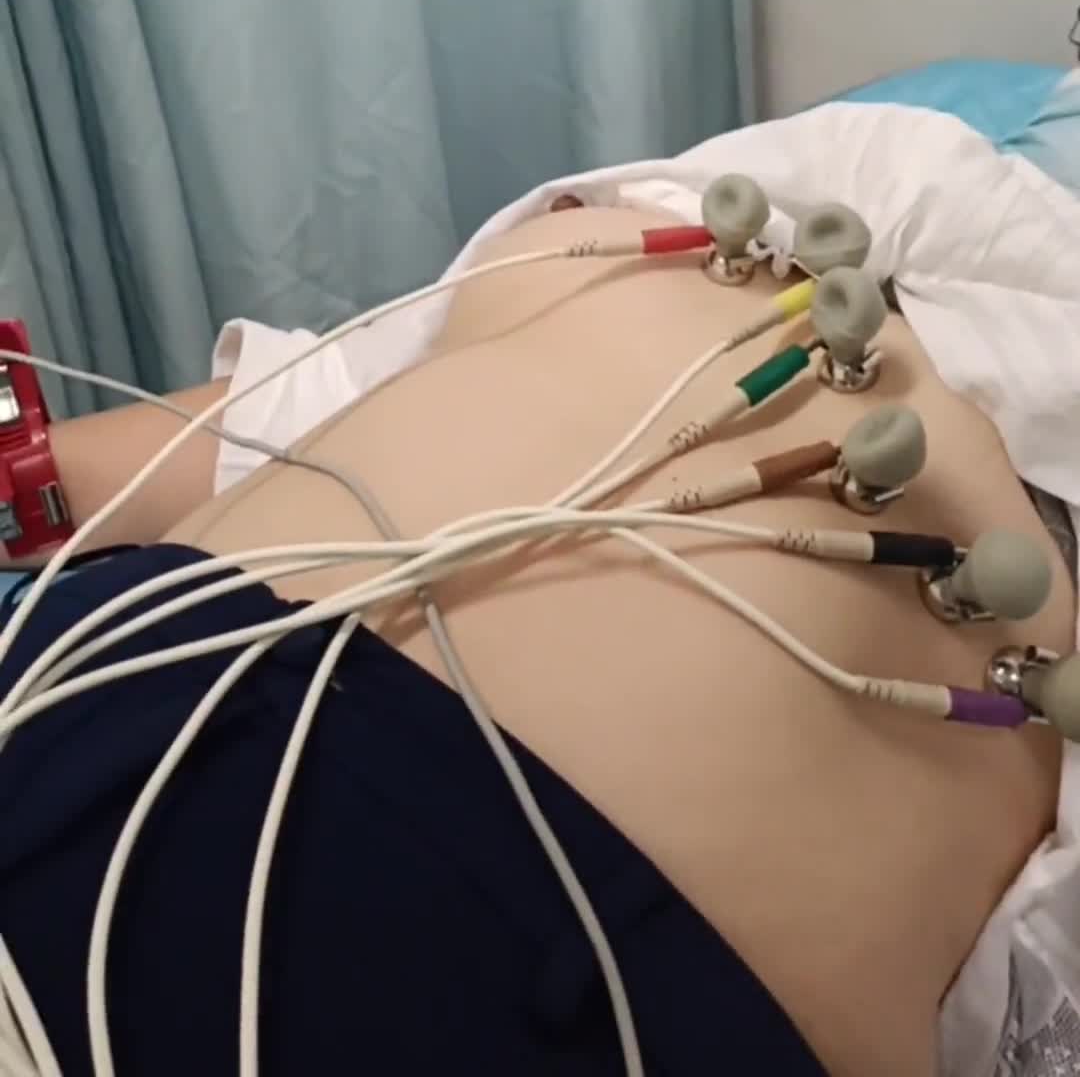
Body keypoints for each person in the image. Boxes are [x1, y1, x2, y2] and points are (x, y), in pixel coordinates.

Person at [0, 194, 1072, 1077]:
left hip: (124, 706)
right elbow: (312, 405)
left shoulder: (625, 239)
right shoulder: (654, 222)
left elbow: (304, 409)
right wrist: (31, 474)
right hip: (121, 680)